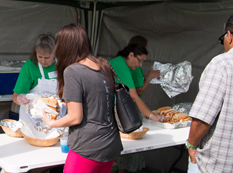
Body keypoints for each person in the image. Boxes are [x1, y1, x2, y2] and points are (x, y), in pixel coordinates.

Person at [42, 23, 122, 173]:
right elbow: (96, 100)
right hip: (111, 144)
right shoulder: (103, 65)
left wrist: (52, 123)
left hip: (88, 147)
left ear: (66, 45)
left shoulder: (73, 70)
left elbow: (75, 117)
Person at [186, 15, 233, 173]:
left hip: (218, 164)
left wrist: (192, 145)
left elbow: (202, 119)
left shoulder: (222, 64)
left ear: (229, 36)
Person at [109, 44, 166, 173]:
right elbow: (134, 96)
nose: (140, 65)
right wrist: (151, 115)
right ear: (130, 55)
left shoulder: (118, 62)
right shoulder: (121, 66)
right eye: (140, 61)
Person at [12, 33, 57, 126]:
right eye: (39, 56)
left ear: (55, 52)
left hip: (56, 118)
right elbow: (15, 96)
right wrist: (20, 99)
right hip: (31, 119)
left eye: (47, 58)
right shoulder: (30, 66)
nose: (43, 61)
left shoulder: (62, 65)